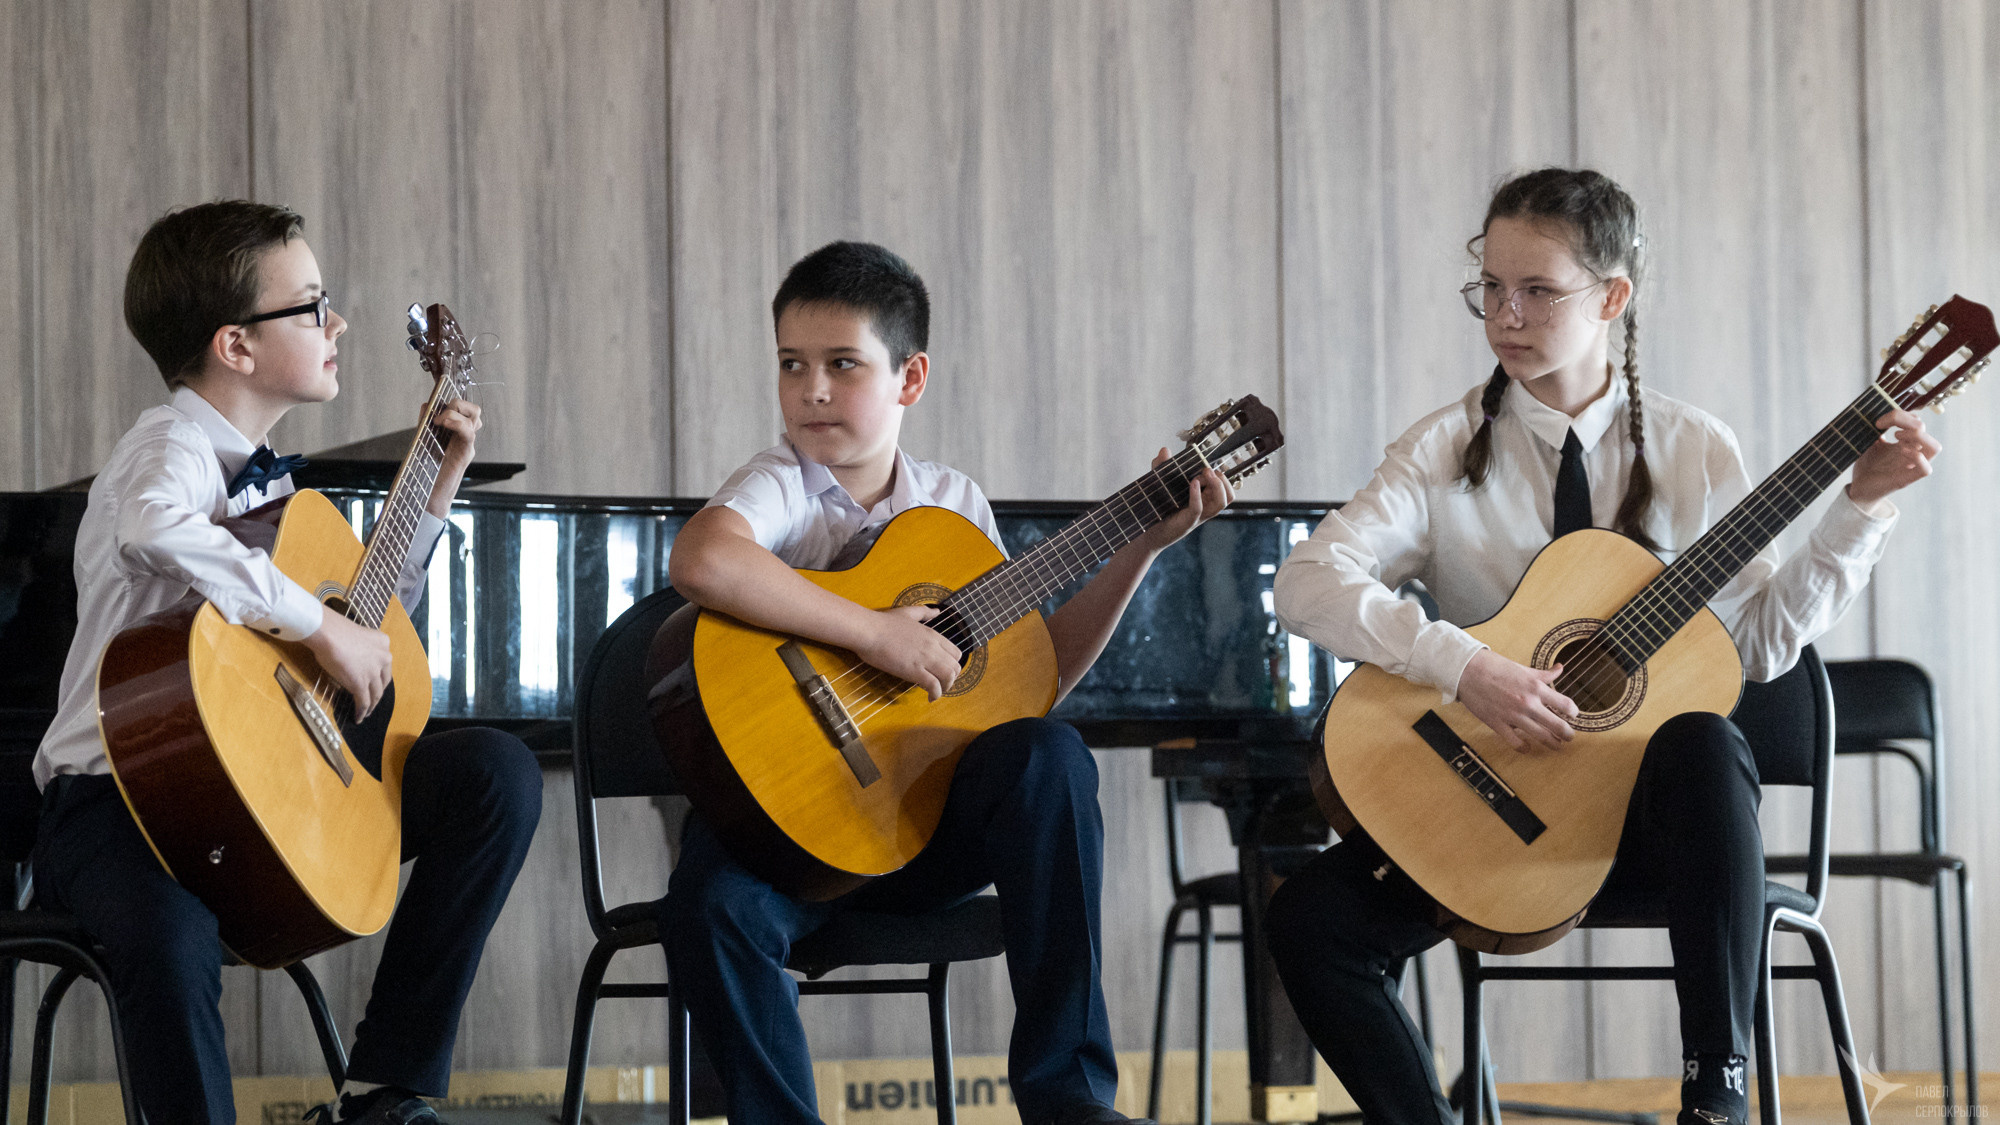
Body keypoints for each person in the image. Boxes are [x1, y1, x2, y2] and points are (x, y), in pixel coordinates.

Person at [1266, 168, 1941, 1125]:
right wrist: (1469, 666)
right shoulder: (1442, 447)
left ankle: (1717, 1092)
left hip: (1664, 838)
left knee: (1706, 738)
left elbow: (1757, 646)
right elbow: (1308, 581)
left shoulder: (1694, 447)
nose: (1506, 313)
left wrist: (1863, 504)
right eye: (1490, 288)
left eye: (1537, 289)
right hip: (1501, 821)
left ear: (1613, 297)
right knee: (1308, 920)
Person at [661, 240, 1231, 1125]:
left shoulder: (952, 505)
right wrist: (876, 634)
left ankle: (1068, 1095)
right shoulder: (782, 483)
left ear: (909, 378)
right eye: (791, 364)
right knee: (708, 903)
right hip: (785, 836)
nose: (811, 388)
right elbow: (702, 559)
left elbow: (1025, 683)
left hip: (918, 830)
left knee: (1051, 756)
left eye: (842, 364)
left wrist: (1139, 549)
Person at [30, 201, 542, 1124]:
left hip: (249, 788)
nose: (335, 321)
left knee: (494, 774)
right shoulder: (168, 445)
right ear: (236, 345)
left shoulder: (278, 486)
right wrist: (319, 625)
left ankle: (386, 1086)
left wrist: (436, 488)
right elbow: (157, 525)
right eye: (312, 304)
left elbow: (369, 631)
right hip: (118, 804)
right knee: (172, 934)